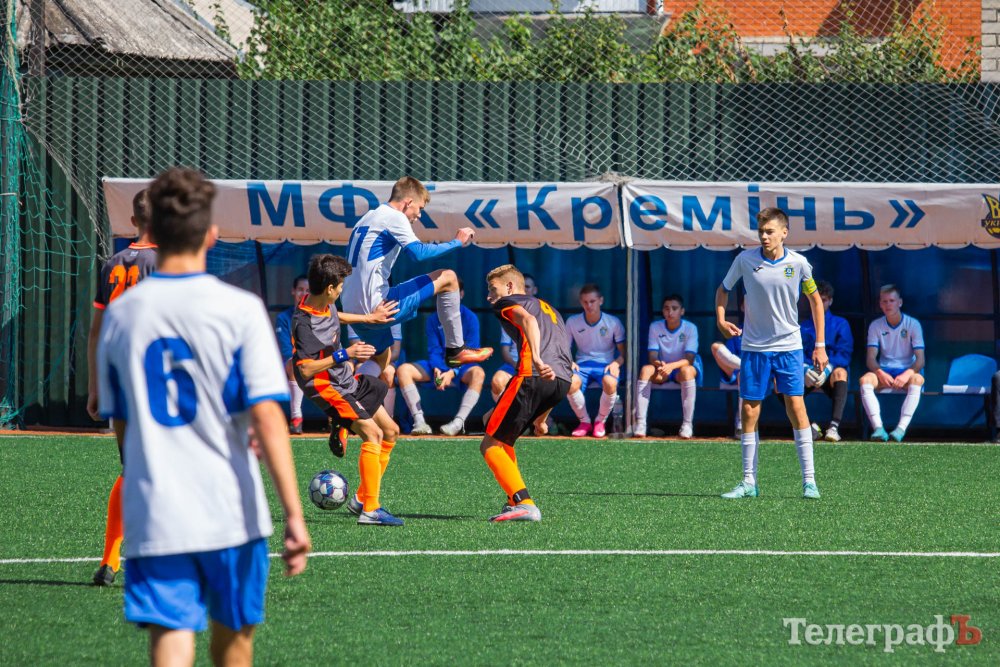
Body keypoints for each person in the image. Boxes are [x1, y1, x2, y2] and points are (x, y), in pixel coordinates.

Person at [95, 167, 311, 665]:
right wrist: (295, 515)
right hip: (230, 510)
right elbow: (268, 419)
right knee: (233, 642)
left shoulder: (123, 315)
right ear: (212, 235)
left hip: (156, 509)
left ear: (149, 231)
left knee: (170, 640)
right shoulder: (240, 309)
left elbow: (122, 420)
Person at [715, 207, 826, 500]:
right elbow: (723, 290)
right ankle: (748, 482)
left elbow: (816, 302)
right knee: (749, 410)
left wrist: (820, 345)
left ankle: (810, 482)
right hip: (754, 348)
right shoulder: (745, 260)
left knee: (796, 407)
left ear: (784, 233)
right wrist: (721, 320)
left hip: (789, 347)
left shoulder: (799, 263)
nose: (764, 236)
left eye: (770, 231)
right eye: (761, 232)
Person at [341, 176, 492, 380]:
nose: (419, 215)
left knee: (382, 357)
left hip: (352, 311)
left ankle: (352, 394)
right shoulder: (394, 216)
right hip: (376, 306)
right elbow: (418, 253)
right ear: (408, 202)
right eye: (419, 208)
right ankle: (456, 350)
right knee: (448, 278)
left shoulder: (367, 217)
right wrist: (457, 242)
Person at [292, 253, 404, 526]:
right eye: (341, 286)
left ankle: (361, 499)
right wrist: (346, 354)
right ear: (330, 288)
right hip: (326, 386)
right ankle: (371, 510)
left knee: (391, 431)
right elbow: (305, 370)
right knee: (373, 434)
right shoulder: (303, 322)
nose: (343, 290)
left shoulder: (321, 302)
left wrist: (370, 318)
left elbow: (335, 316)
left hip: (345, 379)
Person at [86, 188, 158, 587]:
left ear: (133, 221)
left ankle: (110, 560)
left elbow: (96, 331)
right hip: (152, 378)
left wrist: (95, 386)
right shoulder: (166, 262)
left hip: (115, 376)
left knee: (131, 468)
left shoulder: (112, 264)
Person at [480, 264, 573, 522]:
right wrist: (542, 419)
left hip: (532, 375)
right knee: (493, 425)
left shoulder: (508, 302)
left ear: (509, 287)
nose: (489, 296)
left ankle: (524, 503)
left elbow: (528, 321)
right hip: (561, 382)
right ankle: (514, 501)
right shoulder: (550, 309)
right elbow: (560, 360)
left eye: (493, 289)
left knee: (489, 444)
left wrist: (538, 360)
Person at [397, 279, 485, 436]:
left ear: (461, 294)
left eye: (451, 294)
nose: (446, 298)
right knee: (404, 370)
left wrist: (452, 372)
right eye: (441, 294)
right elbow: (434, 349)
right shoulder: (432, 319)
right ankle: (419, 422)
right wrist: (438, 369)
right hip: (437, 367)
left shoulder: (470, 318)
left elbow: (471, 353)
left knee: (478, 373)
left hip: (461, 368)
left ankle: (457, 423)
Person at [859, 284, 925, 443]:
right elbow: (870, 359)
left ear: (900, 302)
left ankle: (900, 429)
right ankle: (878, 429)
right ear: (880, 304)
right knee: (865, 380)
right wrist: (880, 373)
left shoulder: (913, 324)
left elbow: (920, 360)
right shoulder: (875, 325)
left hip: (907, 370)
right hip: (885, 370)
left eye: (892, 301)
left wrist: (906, 375)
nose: (888, 305)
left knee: (917, 379)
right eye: (884, 301)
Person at [634, 295, 702, 439]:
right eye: (666, 308)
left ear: (682, 311)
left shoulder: (690, 328)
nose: (670, 312)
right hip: (663, 368)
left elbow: (689, 359)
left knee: (687, 371)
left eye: (674, 308)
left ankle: (687, 425)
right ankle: (641, 424)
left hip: (680, 369)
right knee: (646, 370)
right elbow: (652, 356)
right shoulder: (655, 327)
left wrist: (671, 366)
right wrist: (660, 364)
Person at [564, 284, 626, 438]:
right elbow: (564, 349)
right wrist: (569, 361)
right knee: (570, 383)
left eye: (592, 301)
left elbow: (624, 352)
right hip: (582, 365)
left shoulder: (613, 322)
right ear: (581, 302)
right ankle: (585, 422)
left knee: (610, 383)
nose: (589, 305)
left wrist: (616, 363)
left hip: (606, 365)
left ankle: (600, 421)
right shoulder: (572, 321)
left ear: (601, 301)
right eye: (585, 302)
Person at [799, 280, 853, 442]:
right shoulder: (802, 326)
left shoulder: (841, 324)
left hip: (830, 374)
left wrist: (828, 367)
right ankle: (809, 427)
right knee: (779, 382)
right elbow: (796, 353)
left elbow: (845, 354)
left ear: (830, 301)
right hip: (809, 374)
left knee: (841, 373)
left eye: (823, 300)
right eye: (814, 299)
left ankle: (833, 427)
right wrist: (804, 369)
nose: (818, 303)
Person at [490, 272, 538, 402]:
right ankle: (506, 413)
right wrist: (517, 365)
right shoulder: (508, 314)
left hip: (538, 366)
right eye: (522, 287)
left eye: (527, 287)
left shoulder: (543, 314)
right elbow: (505, 351)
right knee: (497, 380)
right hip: (514, 365)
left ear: (535, 290)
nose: (524, 290)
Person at [274, 274, 310, 434]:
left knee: (343, 365)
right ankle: (296, 418)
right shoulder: (283, 317)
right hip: (293, 363)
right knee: (295, 363)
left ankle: (336, 421)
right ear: (293, 291)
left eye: (308, 290)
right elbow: (286, 350)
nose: (304, 294)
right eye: (300, 289)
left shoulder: (320, 315)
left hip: (317, 363)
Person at [349, 323, 403, 419]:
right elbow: (358, 352)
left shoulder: (393, 318)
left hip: (389, 360)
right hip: (363, 360)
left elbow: (395, 352)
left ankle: (389, 417)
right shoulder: (354, 315)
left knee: (388, 372)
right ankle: (363, 417)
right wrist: (376, 360)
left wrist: (382, 360)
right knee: (360, 371)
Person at [711, 335, 744, 438]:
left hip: (759, 371)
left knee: (744, 375)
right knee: (715, 346)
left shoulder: (764, 331)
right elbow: (730, 355)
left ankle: (742, 422)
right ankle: (741, 424)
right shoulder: (738, 331)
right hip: (736, 369)